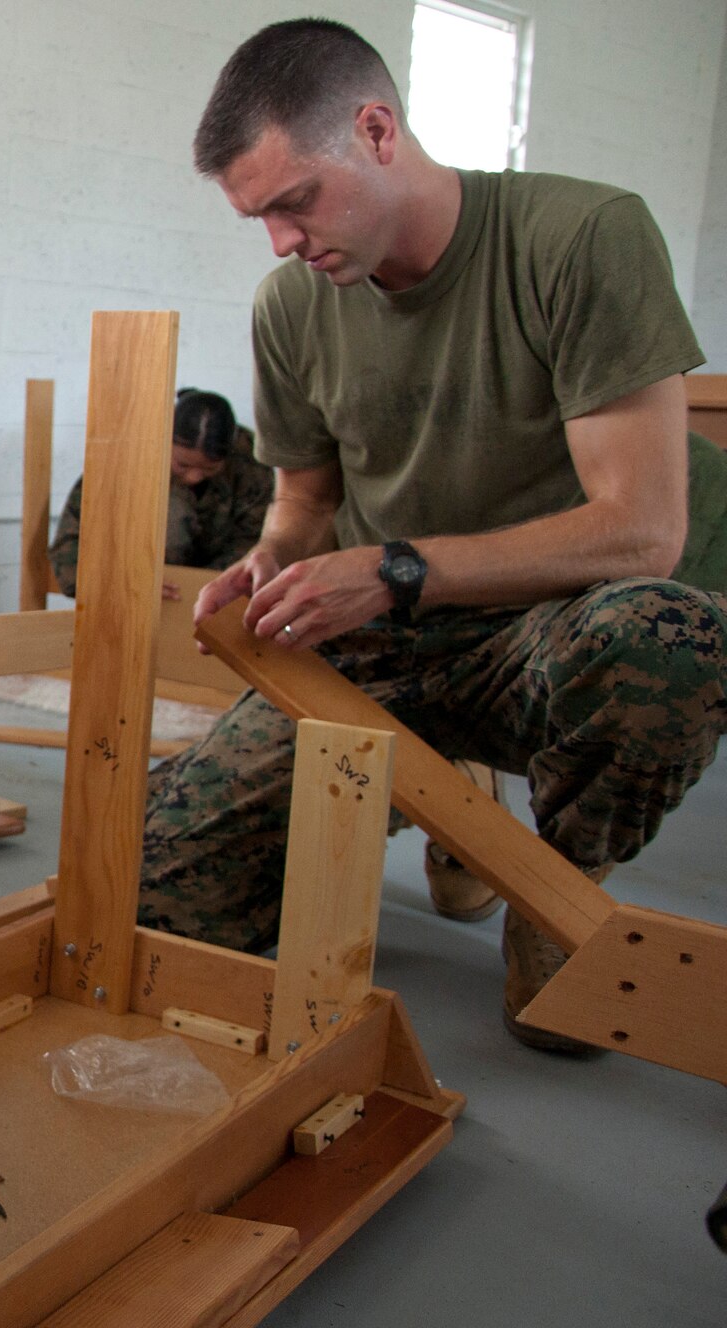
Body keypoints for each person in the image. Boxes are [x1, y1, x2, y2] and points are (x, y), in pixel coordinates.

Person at [141, 19, 727, 1052]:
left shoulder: (579, 237)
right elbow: (305, 498)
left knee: (668, 639)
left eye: (292, 203)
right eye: (257, 219)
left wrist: (398, 569)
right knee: (160, 897)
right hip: (385, 642)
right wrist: (272, 558)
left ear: (375, 131)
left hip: (540, 637)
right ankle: (443, 797)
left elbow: (642, 532)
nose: (281, 241)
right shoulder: (291, 305)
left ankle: (560, 867)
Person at [48, 388, 271, 599]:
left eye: (210, 468)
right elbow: (69, 549)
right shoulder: (125, 458)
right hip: (136, 584)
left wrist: (202, 586)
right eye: (182, 465)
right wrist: (115, 583)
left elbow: (255, 541)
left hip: (217, 591)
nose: (194, 477)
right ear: (165, 440)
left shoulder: (250, 460)